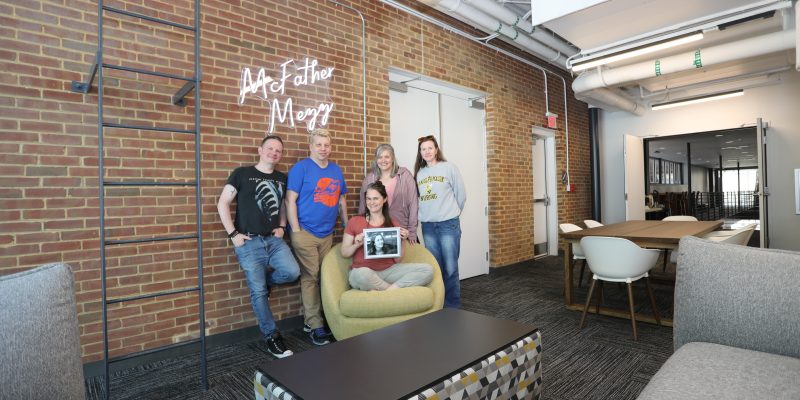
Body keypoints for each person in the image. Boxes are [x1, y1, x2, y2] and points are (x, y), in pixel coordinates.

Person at [216, 135, 300, 359]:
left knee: (293, 272)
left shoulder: (282, 178)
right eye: (270, 148)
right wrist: (233, 234)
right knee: (258, 292)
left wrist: (282, 226)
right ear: (260, 150)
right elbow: (222, 202)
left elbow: (282, 205)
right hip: (249, 242)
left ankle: (269, 281)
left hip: (273, 241)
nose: (274, 153)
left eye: (278, 150)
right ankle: (271, 336)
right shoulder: (242, 174)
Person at [286, 128, 348, 346]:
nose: (323, 149)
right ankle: (315, 325)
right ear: (310, 146)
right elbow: (290, 200)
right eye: (319, 144)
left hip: (327, 233)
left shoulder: (335, 170)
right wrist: (295, 230)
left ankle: (315, 319)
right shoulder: (300, 168)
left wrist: (347, 225)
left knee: (324, 276)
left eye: (326, 145)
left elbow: (341, 201)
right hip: (305, 232)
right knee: (311, 276)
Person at [342, 181, 433, 291]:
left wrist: (402, 241)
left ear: (384, 199)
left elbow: (398, 260)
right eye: (368, 199)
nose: (371, 202)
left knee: (427, 270)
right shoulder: (355, 221)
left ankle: (387, 290)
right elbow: (345, 253)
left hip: (389, 271)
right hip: (363, 271)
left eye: (375, 198)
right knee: (360, 275)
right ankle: (391, 290)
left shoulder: (393, 224)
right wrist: (356, 245)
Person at [414, 135, 466, 308]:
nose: (427, 151)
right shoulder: (420, 174)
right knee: (436, 268)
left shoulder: (449, 168)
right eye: (423, 149)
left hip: (448, 225)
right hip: (428, 226)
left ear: (436, 149)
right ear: (420, 153)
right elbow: (421, 199)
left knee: (450, 269)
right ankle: (439, 305)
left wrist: (453, 214)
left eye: (430, 148)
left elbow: (461, 195)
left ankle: (451, 308)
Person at [358, 144, 419, 243]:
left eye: (387, 156)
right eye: (380, 157)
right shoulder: (369, 179)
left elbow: (413, 204)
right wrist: (361, 228)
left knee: (401, 258)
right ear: (376, 160)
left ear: (393, 158)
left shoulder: (405, 175)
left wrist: (412, 231)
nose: (383, 160)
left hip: (401, 230)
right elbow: (362, 206)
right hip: (376, 231)